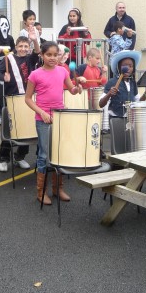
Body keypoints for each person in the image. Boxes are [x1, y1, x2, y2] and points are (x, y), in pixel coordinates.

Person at [25, 41, 85, 205]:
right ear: (42, 55)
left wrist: (78, 88)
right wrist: (42, 112)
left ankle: (57, 188)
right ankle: (41, 192)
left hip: (60, 117)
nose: (52, 58)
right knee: (44, 155)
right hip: (43, 120)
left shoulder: (63, 71)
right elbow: (28, 99)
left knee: (59, 153)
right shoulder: (35, 75)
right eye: (48, 55)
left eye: (55, 55)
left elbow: (72, 90)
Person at [0, 36, 41, 172]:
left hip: (28, 98)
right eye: (20, 46)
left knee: (26, 129)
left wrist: (34, 40)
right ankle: (3, 159)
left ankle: (20, 157)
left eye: (26, 46)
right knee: (10, 130)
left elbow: (37, 52)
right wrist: (4, 77)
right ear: (16, 47)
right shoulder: (8, 58)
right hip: (12, 98)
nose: (23, 49)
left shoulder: (30, 59)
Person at [99, 50, 141, 117]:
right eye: (124, 66)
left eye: (130, 66)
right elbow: (101, 104)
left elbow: (138, 102)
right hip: (115, 119)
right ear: (118, 67)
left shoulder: (133, 83)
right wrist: (109, 94)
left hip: (130, 118)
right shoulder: (112, 82)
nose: (128, 68)